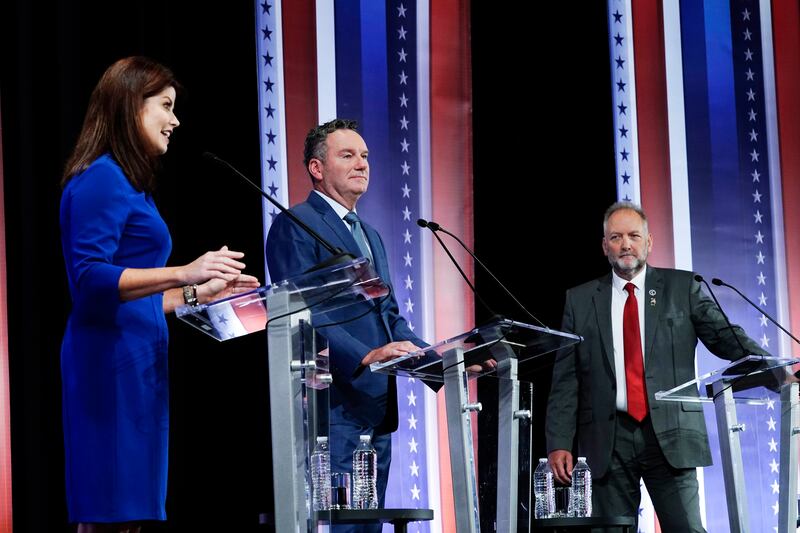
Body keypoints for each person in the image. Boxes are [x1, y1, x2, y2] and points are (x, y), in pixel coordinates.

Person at [59, 56, 260, 532]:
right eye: (165, 106)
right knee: (111, 511)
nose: (176, 120)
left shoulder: (133, 185)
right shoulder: (101, 178)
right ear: (131, 106)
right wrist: (183, 272)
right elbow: (90, 280)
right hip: (107, 365)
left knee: (133, 515)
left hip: (138, 362)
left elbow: (134, 295)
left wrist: (200, 293)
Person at [545, 201, 768, 532]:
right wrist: (559, 441)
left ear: (649, 242)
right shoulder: (580, 300)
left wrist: (776, 372)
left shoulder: (683, 288)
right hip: (608, 439)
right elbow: (566, 377)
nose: (626, 244)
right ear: (604, 245)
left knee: (687, 529)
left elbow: (726, 338)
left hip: (671, 434)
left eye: (634, 235)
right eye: (616, 237)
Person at [266, 119, 425, 532]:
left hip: (375, 407)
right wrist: (365, 355)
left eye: (366, 156)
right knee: (341, 525)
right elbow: (302, 309)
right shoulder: (296, 223)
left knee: (368, 524)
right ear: (317, 168)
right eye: (348, 155)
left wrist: (442, 362)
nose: (362, 164)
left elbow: (387, 315)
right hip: (331, 404)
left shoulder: (369, 233)